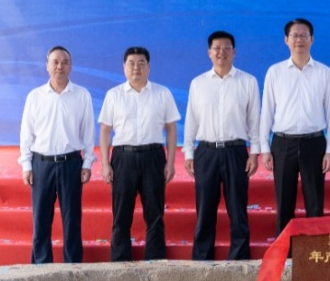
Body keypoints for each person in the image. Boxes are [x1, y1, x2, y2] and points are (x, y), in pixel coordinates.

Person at [183, 31, 261, 261]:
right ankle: (202, 259)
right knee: (205, 210)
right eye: (217, 48)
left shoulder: (248, 82)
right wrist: (189, 153)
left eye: (227, 48)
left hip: (236, 151)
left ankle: (239, 259)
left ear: (234, 52)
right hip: (206, 152)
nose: (221, 52)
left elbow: (254, 120)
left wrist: (254, 152)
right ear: (209, 52)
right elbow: (191, 119)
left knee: (237, 210)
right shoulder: (198, 83)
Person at [98, 46, 180, 262]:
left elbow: (171, 129)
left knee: (155, 214)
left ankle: (155, 260)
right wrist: (105, 164)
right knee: (121, 214)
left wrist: (170, 162)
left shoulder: (162, 93)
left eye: (141, 63)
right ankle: (120, 261)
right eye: (131, 63)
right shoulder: (114, 95)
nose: (136, 67)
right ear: (124, 67)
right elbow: (105, 131)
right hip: (123, 158)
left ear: (149, 67)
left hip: (153, 157)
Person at [259, 18, 330, 234]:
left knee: (315, 204)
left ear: (312, 39)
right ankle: (284, 249)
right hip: (283, 143)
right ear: (286, 40)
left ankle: (314, 249)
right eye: (294, 35)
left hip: (314, 142)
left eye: (304, 35)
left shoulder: (325, 73)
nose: (299, 40)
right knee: (284, 204)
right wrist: (265, 148)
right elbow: (267, 111)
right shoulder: (275, 72)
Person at [19, 46, 96, 264]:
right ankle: (41, 269)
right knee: (41, 221)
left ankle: (72, 269)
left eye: (64, 62)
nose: (59, 66)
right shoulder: (35, 96)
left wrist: (87, 163)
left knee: (72, 221)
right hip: (41, 164)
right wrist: (26, 165)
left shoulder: (82, 95)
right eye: (55, 62)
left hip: (71, 163)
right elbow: (26, 133)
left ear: (70, 66)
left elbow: (88, 132)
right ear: (47, 65)